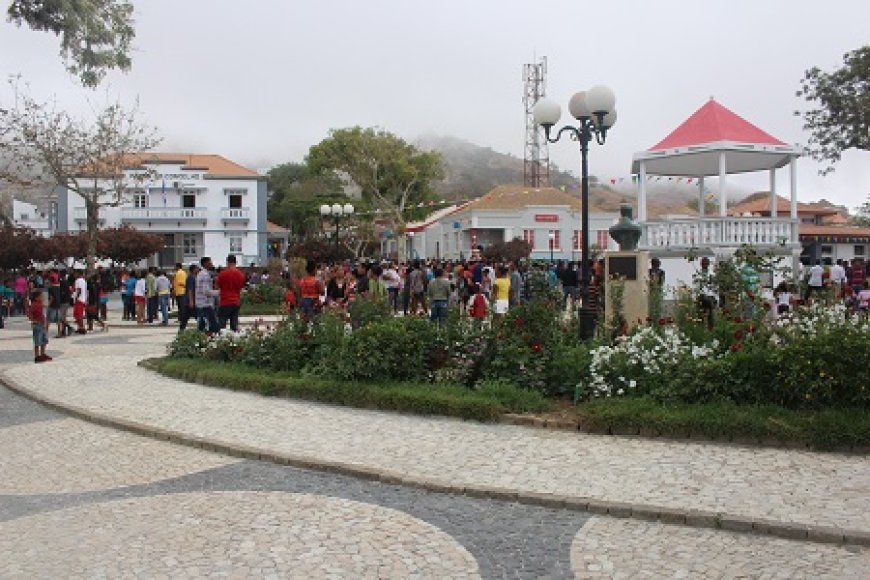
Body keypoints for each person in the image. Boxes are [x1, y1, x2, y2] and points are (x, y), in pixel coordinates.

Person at [216, 254, 246, 331]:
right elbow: (241, 287)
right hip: (236, 301)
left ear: (227, 262)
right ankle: (234, 339)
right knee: (234, 324)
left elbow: (217, 286)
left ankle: (221, 339)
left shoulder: (222, 274)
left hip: (225, 301)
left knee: (221, 323)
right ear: (236, 262)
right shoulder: (240, 274)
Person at [196, 257, 220, 333]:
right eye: (210, 263)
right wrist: (218, 292)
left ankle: (199, 338)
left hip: (200, 302)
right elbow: (206, 291)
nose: (211, 265)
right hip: (206, 303)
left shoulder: (200, 274)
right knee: (213, 326)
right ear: (205, 264)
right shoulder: (205, 275)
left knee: (202, 324)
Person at [28, 289, 51, 363]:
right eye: (40, 296)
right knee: (38, 341)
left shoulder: (40, 303)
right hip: (37, 325)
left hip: (42, 324)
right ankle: (37, 356)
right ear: (36, 297)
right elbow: (29, 314)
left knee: (44, 340)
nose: (42, 297)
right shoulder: (34, 305)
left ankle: (42, 354)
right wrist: (33, 320)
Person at [179, 264, 199, 331]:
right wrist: (191, 301)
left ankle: (181, 330)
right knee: (197, 316)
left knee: (186, 317)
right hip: (190, 301)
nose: (198, 270)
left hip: (190, 300)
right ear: (193, 270)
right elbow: (190, 290)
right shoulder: (191, 277)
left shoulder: (193, 277)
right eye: (197, 268)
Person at [72, 270, 88, 334]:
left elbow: (79, 290)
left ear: (78, 273)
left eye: (75, 273)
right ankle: (80, 327)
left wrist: (76, 298)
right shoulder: (84, 281)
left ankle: (82, 328)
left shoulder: (78, 281)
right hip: (82, 299)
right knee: (77, 315)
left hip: (79, 300)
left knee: (79, 315)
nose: (74, 275)